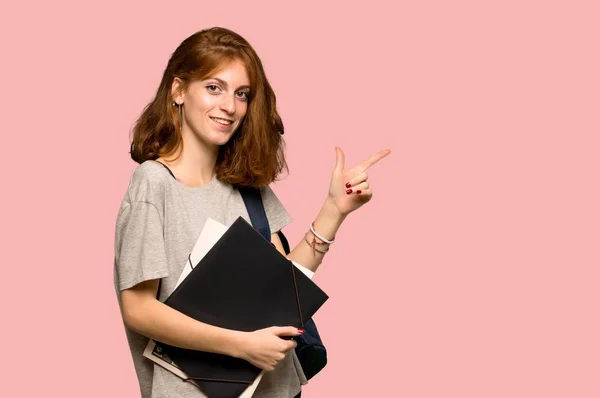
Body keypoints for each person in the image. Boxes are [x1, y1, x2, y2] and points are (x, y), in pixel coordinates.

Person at [113, 26, 390, 398]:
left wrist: (334, 210)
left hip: (278, 390)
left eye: (241, 94)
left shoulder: (245, 184)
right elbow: (139, 309)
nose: (229, 106)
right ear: (178, 91)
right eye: (214, 87)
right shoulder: (153, 184)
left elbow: (281, 283)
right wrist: (240, 344)